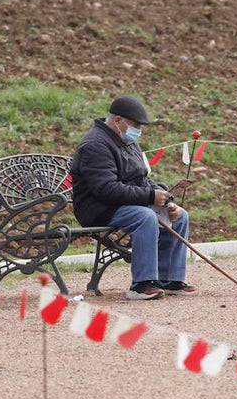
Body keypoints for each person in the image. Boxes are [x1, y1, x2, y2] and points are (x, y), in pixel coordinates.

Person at [70, 95, 197, 300]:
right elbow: (105, 189)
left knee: (180, 215)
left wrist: (167, 200)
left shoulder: (128, 142)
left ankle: (170, 279)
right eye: (136, 125)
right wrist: (149, 196)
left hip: (124, 202)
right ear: (118, 120)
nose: (138, 130)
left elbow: (142, 179)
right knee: (144, 217)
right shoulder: (95, 144)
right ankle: (141, 284)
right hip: (98, 208)